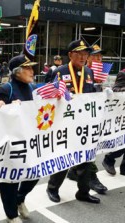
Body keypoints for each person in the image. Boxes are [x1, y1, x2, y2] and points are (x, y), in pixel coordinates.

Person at [46, 39, 100, 204]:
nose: (83, 57)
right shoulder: (60, 72)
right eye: (80, 53)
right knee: (64, 158)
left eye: (86, 54)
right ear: (70, 55)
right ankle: (52, 188)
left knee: (86, 159)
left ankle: (83, 192)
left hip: (84, 124)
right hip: (65, 124)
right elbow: (47, 96)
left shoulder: (89, 72)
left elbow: (91, 95)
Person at [0, 54, 39, 223]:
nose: (32, 71)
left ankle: (20, 199)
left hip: (30, 139)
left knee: (35, 172)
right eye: (28, 68)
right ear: (17, 71)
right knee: (11, 179)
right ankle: (11, 214)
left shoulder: (32, 87)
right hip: (12, 143)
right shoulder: (7, 88)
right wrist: (5, 107)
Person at [67, 44, 108, 195]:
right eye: (95, 56)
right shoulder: (64, 71)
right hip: (69, 122)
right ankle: (59, 182)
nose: (99, 59)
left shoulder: (90, 73)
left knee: (88, 150)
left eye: (100, 56)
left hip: (87, 121)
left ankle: (87, 176)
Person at [102, 69, 125, 176]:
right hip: (122, 113)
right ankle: (109, 159)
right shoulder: (123, 73)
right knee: (122, 142)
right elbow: (116, 89)